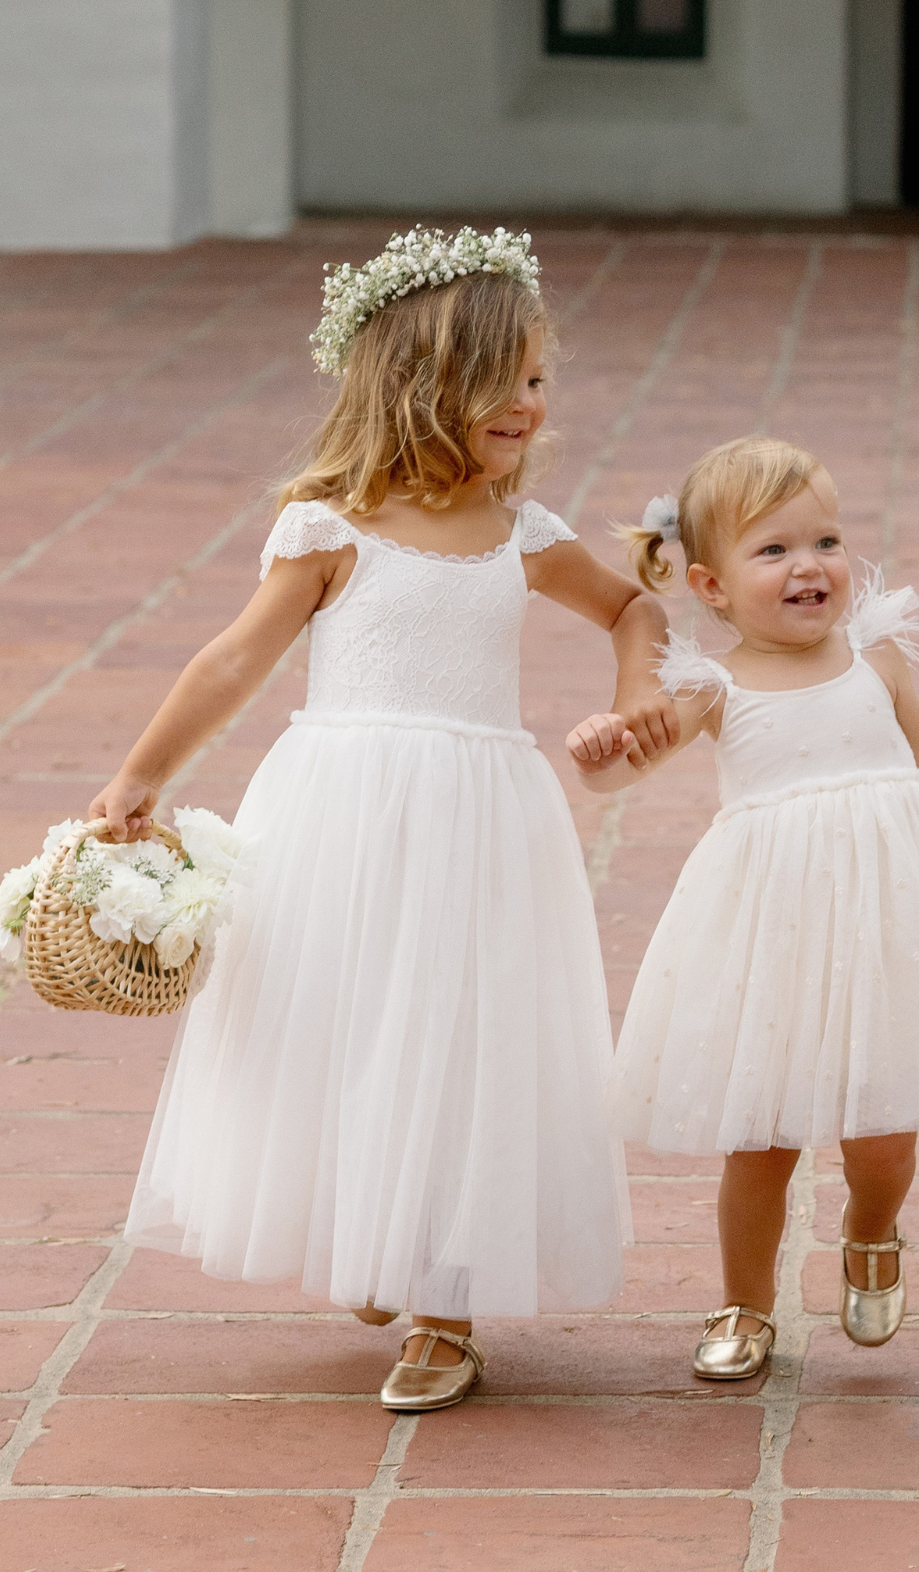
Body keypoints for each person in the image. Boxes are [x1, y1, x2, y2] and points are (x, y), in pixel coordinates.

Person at [91, 226, 678, 1413]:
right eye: (504, 379)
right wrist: (141, 771)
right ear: (422, 384)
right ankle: (382, 1232)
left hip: (479, 816)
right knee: (350, 1020)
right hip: (342, 811)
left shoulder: (525, 534)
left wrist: (635, 704)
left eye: (536, 377)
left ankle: (444, 1301)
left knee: (458, 1029)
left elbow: (634, 613)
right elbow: (231, 661)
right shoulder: (330, 527)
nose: (531, 402)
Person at [566, 435, 919, 1375]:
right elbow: (624, 771)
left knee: (881, 1136)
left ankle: (872, 1228)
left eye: (826, 541)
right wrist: (602, 753)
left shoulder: (874, 660)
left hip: (882, 931)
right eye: (775, 550)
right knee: (761, 1142)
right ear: (711, 586)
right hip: (776, 940)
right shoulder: (713, 689)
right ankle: (744, 1304)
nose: (810, 567)